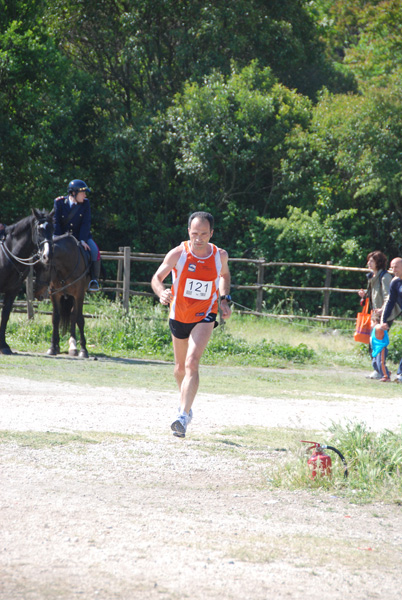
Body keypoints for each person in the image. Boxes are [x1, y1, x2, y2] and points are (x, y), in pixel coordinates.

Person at [151, 211, 232, 438]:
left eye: (204, 234)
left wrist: (223, 299)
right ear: (189, 232)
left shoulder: (219, 255)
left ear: (211, 233)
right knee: (179, 369)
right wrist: (161, 292)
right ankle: (186, 404)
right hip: (179, 315)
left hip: (205, 315)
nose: (199, 238)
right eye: (195, 233)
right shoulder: (178, 254)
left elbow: (224, 276)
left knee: (192, 362)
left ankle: (183, 416)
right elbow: (156, 278)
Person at [53, 179, 101, 291]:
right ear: (73, 193)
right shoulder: (59, 202)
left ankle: (94, 280)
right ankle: (45, 282)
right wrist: (57, 238)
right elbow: (56, 222)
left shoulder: (86, 204)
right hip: (62, 237)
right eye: (82, 193)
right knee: (47, 252)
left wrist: (83, 240)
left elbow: (86, 223)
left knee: (95, 251)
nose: (85, 195)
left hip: (80, 236)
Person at [358, 251, 399, 379]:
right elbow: (374, 295)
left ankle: (381, 371)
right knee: (373, 342)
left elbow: (389, 296)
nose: (368, 263)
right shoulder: (372, 276)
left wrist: (383, 310)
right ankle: (379, 370)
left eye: (371, 261)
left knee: (378, 342)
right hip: (375, 313)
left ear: (378, 262)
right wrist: (364, 295)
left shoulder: (385, 277)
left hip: (385, 314)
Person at [381, 257, 402, 383]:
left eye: (396, 267)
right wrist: (384, 320)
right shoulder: (395, 282)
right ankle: (400, 373)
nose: (394, 270)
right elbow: (390, 302)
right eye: (392, 267)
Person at [370, 312, 391, 382]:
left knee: (380, 363)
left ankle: (386, 376)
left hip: (381, 348)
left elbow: (379, 326)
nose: (370, 324)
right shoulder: (375, 328)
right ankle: (386, 372)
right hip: (376, 349)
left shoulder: (378, 327)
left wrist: (381, 325)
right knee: (375, 363)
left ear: (375, 321)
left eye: (371, 322)